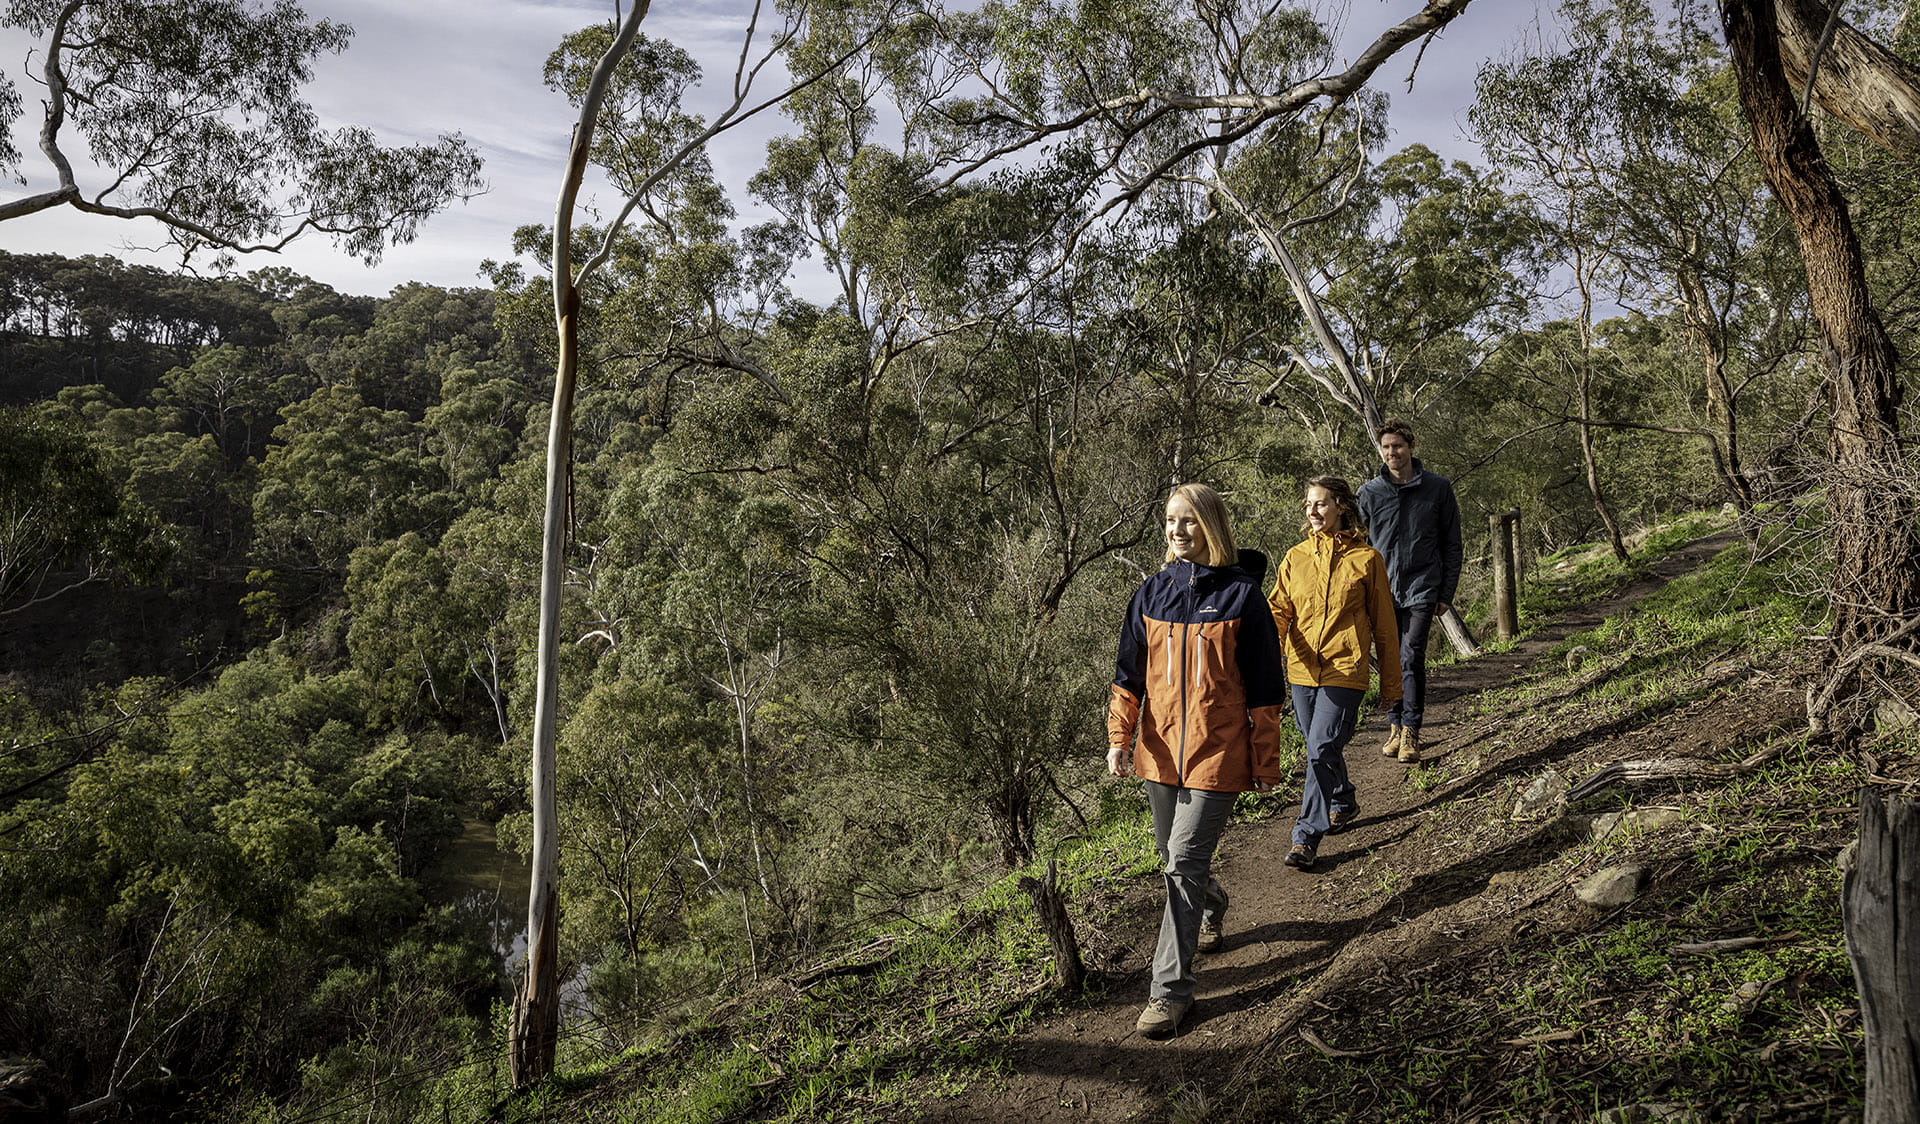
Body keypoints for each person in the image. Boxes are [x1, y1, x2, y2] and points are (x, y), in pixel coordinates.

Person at [1106, 482, 1286, 1040]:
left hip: (1218, 752)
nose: (1177, 531)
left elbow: (1264, 689)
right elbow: (1128, 674)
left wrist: (1264, 759)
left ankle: (1169, 993)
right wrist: (1119, 737)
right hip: (1159, 753)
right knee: (1172, 858)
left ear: (1210, 526)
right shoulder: (1151, 593)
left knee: (1181, 860)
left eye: (1188, 521)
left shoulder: (1241, 597)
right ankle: (1213, 904)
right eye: (1169, 521)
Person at [1267, 475, 1401, 872]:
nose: (1311, 510)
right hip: (1302, 670)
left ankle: (1306, 835)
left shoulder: (1367, 560)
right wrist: (1267, 659)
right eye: (1308, 504)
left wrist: (1392, 686)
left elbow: (1385, 627)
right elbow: (1278, 611)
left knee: (1321, 746)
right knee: (1317, 747)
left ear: (1341, 506)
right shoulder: (1295, 557)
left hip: (1346, 667)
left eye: (1320, 503)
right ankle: (1341, 797)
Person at [1354, 419, 1462, 765]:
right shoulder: (1369, 494)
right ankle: (1395, 726)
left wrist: (1446, 591)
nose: (1391, 453)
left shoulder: (1438, 488)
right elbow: (1356, 544)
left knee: (1411, 656)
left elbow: (1452, 543)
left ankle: (1412, 731)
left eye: (1397, 446)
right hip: (1381, 590)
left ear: (1411, 447)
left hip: (1422, 587)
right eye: (1385, 447)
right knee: (1389, 660)